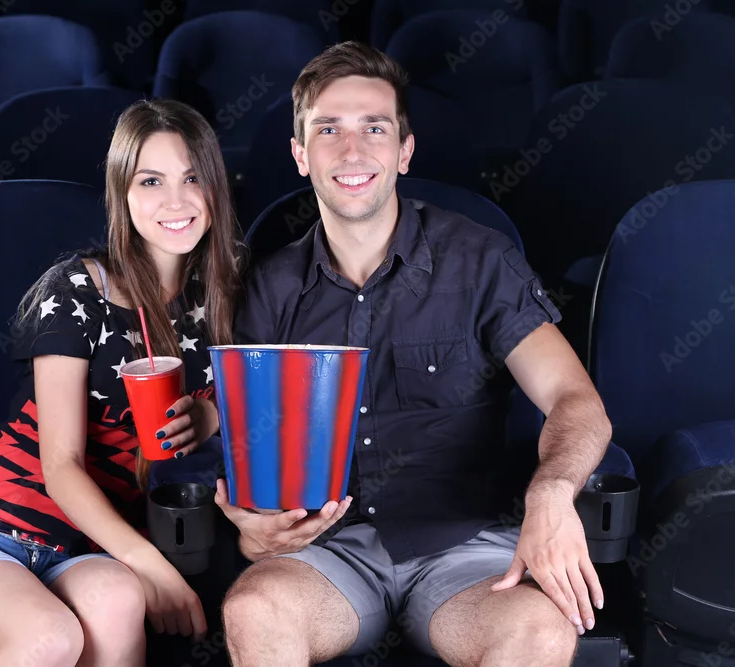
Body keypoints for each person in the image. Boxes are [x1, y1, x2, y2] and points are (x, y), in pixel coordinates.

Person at [215, 42, 612, 667]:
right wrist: (252, 529)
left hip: (466, 550)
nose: (352, 151)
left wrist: (553, 493)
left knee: (539, 630)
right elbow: (253, 451)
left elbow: (576, 401)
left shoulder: (480, 260)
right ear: (300, 154)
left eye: (374, 128)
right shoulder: (270, 286)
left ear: (404, 151)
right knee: (254, 610)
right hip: (328, 550)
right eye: (328, 129)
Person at [0, 99, 243, 667]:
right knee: (52, 637)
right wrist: (151, 564)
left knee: (119, 600)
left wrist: (210, 416)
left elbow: (262, 402)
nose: (176, 200)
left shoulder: (228, 299)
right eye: (151, 181)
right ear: (122, 193)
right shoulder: (79, 288)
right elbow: (60, 464)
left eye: (192, 178)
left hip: (79, 552)